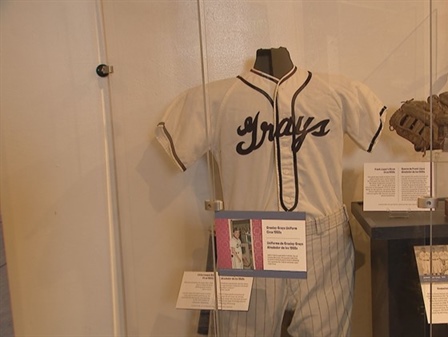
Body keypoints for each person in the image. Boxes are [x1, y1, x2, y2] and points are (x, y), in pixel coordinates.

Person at [155, 46, 387, 336]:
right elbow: (177, 140)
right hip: (246, 237)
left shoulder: (337, 91)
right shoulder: (214, 98)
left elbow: (373, 126)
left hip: (324, 238)